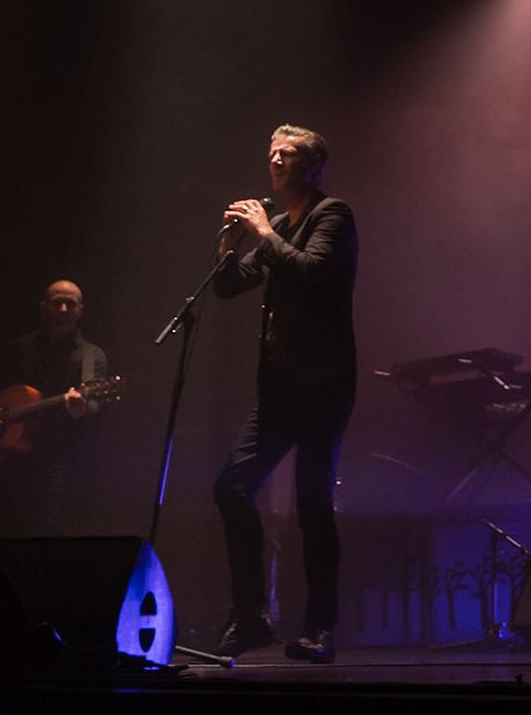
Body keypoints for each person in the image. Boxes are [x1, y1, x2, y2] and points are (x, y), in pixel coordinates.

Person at [209, 125, 358, 663]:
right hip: (278, 390)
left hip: (323, 384)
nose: (274, 158)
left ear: (312, 167)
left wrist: (262, 233)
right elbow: (229, 287)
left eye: (287, 153)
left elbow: (310, 272)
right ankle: (250, 615)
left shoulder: (331, 215)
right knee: (231, 487)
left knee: (313, 506)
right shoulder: (275, 225)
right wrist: (230, 244)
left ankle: (321, 626)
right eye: (270, 150)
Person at [0, 280, 109, 537]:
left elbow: (98, 405)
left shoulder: (91, 357)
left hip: (60, 464)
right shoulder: (18, 349)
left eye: (70, 304)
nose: (63, 309)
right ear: (43, 307)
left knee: (48, 536)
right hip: (8, 463)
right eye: (56, 302)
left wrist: (84, 408)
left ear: (80, 310)